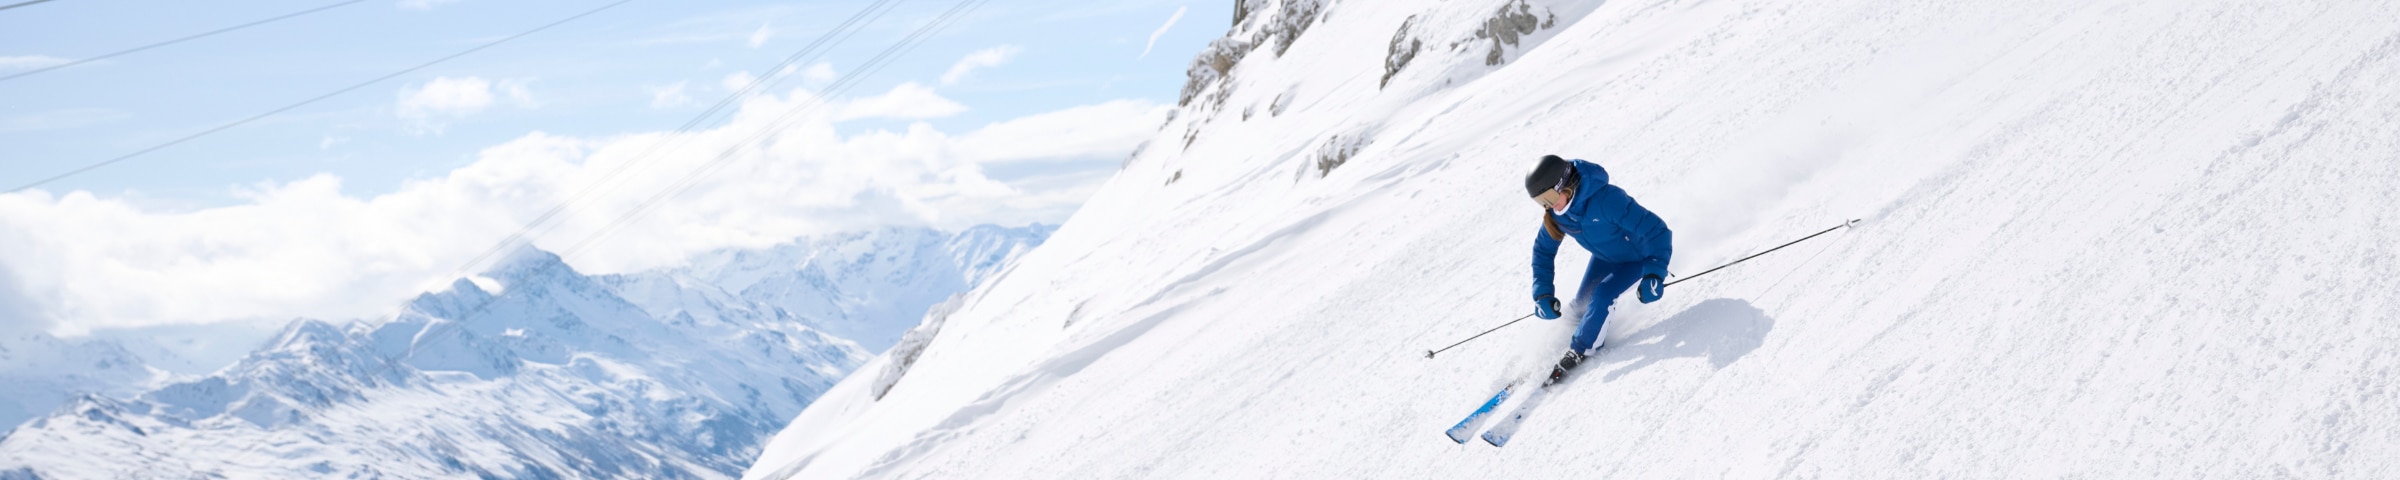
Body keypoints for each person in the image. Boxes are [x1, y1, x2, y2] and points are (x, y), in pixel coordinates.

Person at [1525, 154, 1672, 384]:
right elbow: (1543, 252)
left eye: (1549, 196)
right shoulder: (1558, 215)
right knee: (1580, 307)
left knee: (1602, 296)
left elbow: (1657, 231)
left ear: (1565, 184)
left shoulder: (1606, 200)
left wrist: (1654, 272)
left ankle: (1583, 348)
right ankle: (1567, 337)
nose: (1548, 205)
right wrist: (1542, 294)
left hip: (1638, 258)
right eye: (1541, 201)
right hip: (1607, 258)